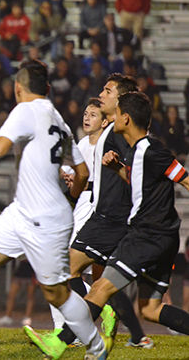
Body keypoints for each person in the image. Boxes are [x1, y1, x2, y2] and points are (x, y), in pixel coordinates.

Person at [0, 60, 105, 359]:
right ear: (48, 88)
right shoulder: (57, 118)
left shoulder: (25, 109)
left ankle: (97, 348)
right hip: (22, 211)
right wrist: (70, 202)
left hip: (44, 220)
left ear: (17, 87)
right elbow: (83, 172)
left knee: (57, 294)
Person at [31, 92, 189, 357]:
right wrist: (117, 169)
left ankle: (60, 342)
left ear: (125, 118)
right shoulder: (138, 152)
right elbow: (142, 181)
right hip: (163, 237)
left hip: (148, 235)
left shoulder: (152, 150)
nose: (111, 118)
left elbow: (184, 178)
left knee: (100, 288)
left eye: (115, 114)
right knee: (150, 309)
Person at [47, 99, 104, 340]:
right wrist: (67, 176)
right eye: (85, 112)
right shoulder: (82, 143)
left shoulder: (107, 144)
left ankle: (75, 327)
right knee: (64, 269)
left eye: (93, 114)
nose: (87, 117)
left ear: (105, 120)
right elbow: (75, 175)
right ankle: (65, 328)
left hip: (97, 208)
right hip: (81, 205)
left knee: (65, 268)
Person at [0, 260, 37, 327]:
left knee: (30, 296)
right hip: (20, 271)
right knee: (11, 295)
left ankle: (27, 317)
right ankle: (8, 316)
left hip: (32, 272)